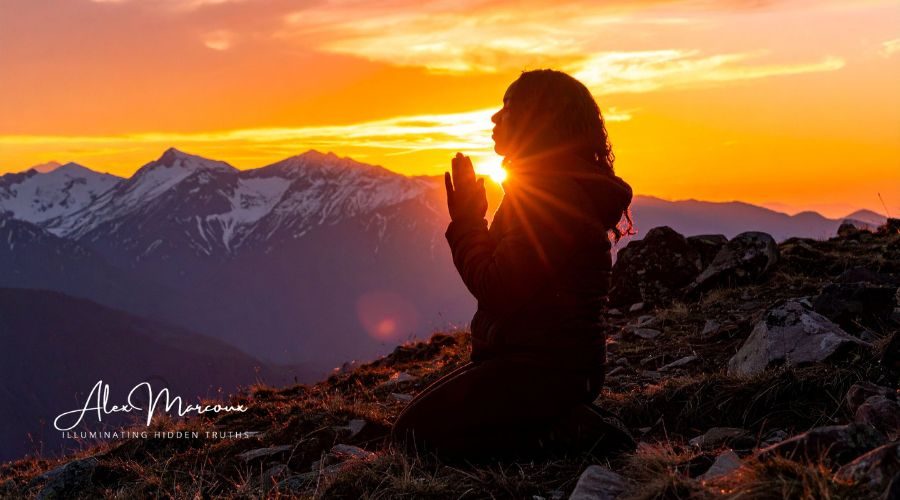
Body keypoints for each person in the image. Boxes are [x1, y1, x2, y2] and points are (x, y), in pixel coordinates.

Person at [390, 69, 635, 460]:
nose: (495, 118)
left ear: (539, 121)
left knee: (412, 440)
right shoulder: (547, 187)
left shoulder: (550, 196)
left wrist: (469, 222)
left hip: (547, 371)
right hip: (545, 364)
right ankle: (555, 421)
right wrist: (474, 221)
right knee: (412, 430)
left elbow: (497, 288)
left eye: (508, 107)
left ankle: (568, 433)